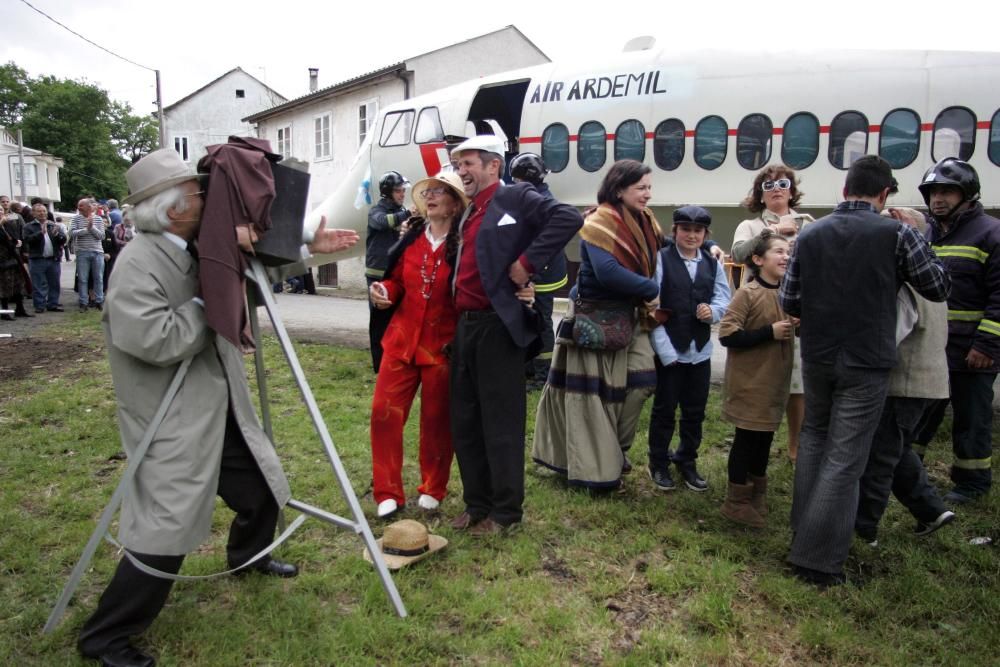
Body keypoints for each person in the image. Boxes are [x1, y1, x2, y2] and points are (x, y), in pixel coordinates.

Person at [77, 148, 359, 667]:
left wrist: (312, 251)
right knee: (169, 523)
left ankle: (248, 557)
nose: (209, 199)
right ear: (172, 209)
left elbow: (246, 277)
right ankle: (107, 636)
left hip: (215, 399)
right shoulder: (138, 263)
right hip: (173, 414)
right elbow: (154, 339)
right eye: (199, 192)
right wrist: (212, 301)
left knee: (260, 487)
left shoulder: (188, 245)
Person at [779, 155, 950, 587]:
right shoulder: (898, 234)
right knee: (846, 457)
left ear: (844, 189)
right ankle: (816, 562)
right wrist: (917, 234)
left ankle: (803, 532)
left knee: (815, 438)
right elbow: (937, 286)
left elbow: (790, 301)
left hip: (817, 354)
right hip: (868, 358)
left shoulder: (808, 234)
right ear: (885, 194)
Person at [449, 135, 583, 535]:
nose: (462, 171)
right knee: (466, 422)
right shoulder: (468, 211)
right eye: (458, 165)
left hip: (497, 326)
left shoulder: (516, 197)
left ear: (493, 166)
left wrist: (527, 264)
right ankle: (477, 505)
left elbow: (568, 218)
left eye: (469, 163)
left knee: (500, 424)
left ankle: (505, 513)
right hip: (464, 327)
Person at [533, 159, 660, 490]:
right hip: (594, 319)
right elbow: (608, 272)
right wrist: (652, 289)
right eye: (641, 188)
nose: (648, 194)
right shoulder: (598, 222)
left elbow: (663, 246)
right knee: (592, 398)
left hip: (629, 318)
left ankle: (612, 452)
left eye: (649, 187)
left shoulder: (644, 221)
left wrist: (706, 247)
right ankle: (595, 469)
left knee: (640, 384)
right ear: (619, 189)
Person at [367, 172, 468, 519]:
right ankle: (386, 491)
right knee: (384, 413)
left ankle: (433, 487)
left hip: (442, 347)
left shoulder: (465, 243)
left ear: (456, 203)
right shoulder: (410, 239)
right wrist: (384, 293)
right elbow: (395, 281)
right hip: (400, 341)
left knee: (437, 420)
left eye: (442, 192)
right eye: (430, 192)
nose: (433, 196)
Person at [854, 207, 956, 545]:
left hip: (904, 383)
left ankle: (864, 529)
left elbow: (888, 334)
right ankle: (931, 510)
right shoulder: (931, 271)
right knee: (896, 449)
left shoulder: (905, 280)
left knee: (879, 458)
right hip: (931, 382)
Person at [910, 158, 1000, 504]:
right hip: (935, 346)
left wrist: (987, 345)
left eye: (947, 191)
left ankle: (972, 483)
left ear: (968, 195)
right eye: (933, 192)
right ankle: (909, 471)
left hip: (974, 350)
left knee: (972, 418)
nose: (938, 199)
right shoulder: (930, 233)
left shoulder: (990, 234)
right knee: (923, 412)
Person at [732, 166, 815, 462]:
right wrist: (774, 232)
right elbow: (740, 254)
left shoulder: (808, 224)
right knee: (761, 377)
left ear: (792, 190)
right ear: (760, 195)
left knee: (798, 383)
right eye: (768, 185)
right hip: (761, 310)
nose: (776, 188)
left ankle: (796, 446)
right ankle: (753, 443)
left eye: (783, 183)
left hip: (800, 312)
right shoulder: (750, 226)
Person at [647, 206, 731, 492]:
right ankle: (658, 461)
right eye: (686, 230)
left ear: (705, 234)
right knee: (665, 409)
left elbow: (723, 297)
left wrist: (715, 312)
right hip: (670, 348)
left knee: (695, 411)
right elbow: (653, 308)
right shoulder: (661, 259)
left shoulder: (711, 262)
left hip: (700, 350)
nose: (692, 235)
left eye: (698, 231)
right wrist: (665, 352)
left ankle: (687, 459)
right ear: (675, 232)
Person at [718, 230, 795, 527]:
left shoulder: (788, 292)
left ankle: (756, 494)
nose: (785, 256)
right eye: (778, 251)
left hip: (774, 383)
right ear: (758, 259)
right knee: (747, 440)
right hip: (750, 384)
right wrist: (768, 333)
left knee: (764, 440)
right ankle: (735, 501)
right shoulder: (747, 293)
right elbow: (727, 335)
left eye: (787, 251)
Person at [509, 152, 568, 391]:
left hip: (542, 275)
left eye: (516, 179)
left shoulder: (536, 202)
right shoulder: (539, 196)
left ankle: (543, 375)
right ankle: (532, 368)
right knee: (533, 321)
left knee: (542, 323)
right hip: (544, 272)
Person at [366, 171, 413, 373]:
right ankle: (379, 363)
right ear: (387, 192)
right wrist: (408, 214)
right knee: (379, 321)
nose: (402, 193)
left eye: (403, 190)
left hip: (395, 273)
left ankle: (394, 359)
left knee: (397, 319)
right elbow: (383, 222)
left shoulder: (399, 209)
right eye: (398, 190)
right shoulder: (377, 210)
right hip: (377, 273)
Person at [23, 202, 67, 313]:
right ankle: (39, 305)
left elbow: (63, 240)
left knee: (54, 283)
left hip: (53, 259)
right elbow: (28, 240)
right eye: (39, 211)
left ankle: (53, 304)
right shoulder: (29, 226)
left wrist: (59, 235)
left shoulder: (53, 225)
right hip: (37, 259)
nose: (42, 213)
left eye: (44, 211)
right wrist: (41, 233)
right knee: (38, 283)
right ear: (33, 213)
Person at [71, 197, 106, 313]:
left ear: (89, 207)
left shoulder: (99, 219)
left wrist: (92, 227)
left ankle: (99, 301)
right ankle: (83, 302)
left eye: (81, 205)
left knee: (98, 278)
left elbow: (101, 236)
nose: (79, 207)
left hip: (97, 252)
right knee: (82, 279)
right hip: (82, 252)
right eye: (78, 205)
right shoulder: (75, 219)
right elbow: (72, 233)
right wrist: (86, 229)